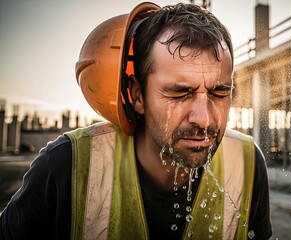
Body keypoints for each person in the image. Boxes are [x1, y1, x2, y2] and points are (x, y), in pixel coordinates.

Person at [0, 2, 272, 239]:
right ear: (137, 95)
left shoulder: (247, 162)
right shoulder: (66, 166)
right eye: (179, 93)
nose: (203, 118)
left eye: (218, 92)